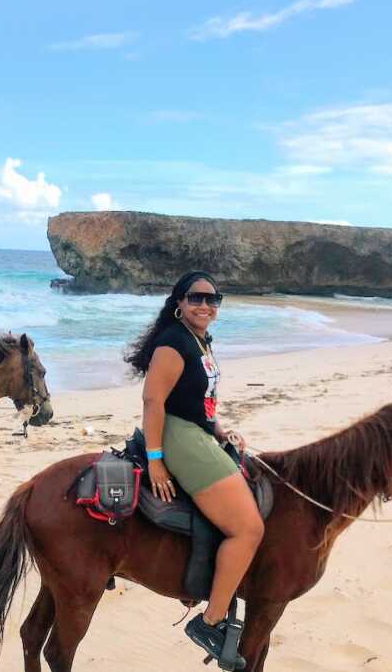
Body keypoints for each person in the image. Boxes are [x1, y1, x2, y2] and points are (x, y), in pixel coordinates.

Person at [125, 270, 264, 669]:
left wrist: (220, 430)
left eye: (213, 299)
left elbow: (200, 400)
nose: (205, 305)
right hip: (174, 435)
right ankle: (211, 621)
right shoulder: (173, 343)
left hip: (196, 431)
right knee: (248, 528)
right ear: (179, 303)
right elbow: (153, 402)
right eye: (196, 298)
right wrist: (155, 461)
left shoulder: (201, 341)